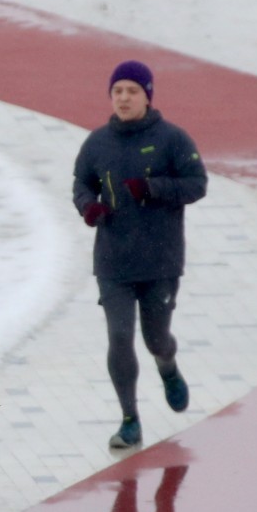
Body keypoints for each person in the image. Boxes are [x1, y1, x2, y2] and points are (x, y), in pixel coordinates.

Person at [73, 60, 207, 449]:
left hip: (160, 261)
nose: (124, 98)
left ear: (147, 95)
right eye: (118, 91)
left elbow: (197, 184)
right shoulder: (97, 143)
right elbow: (81, 182)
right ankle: (129, 419)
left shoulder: (173, 139)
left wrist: (153, 188)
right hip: (113, 261)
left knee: (155, 338)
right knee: (119, 336)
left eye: (132, 91)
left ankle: (167, 365)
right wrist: (88, 206)